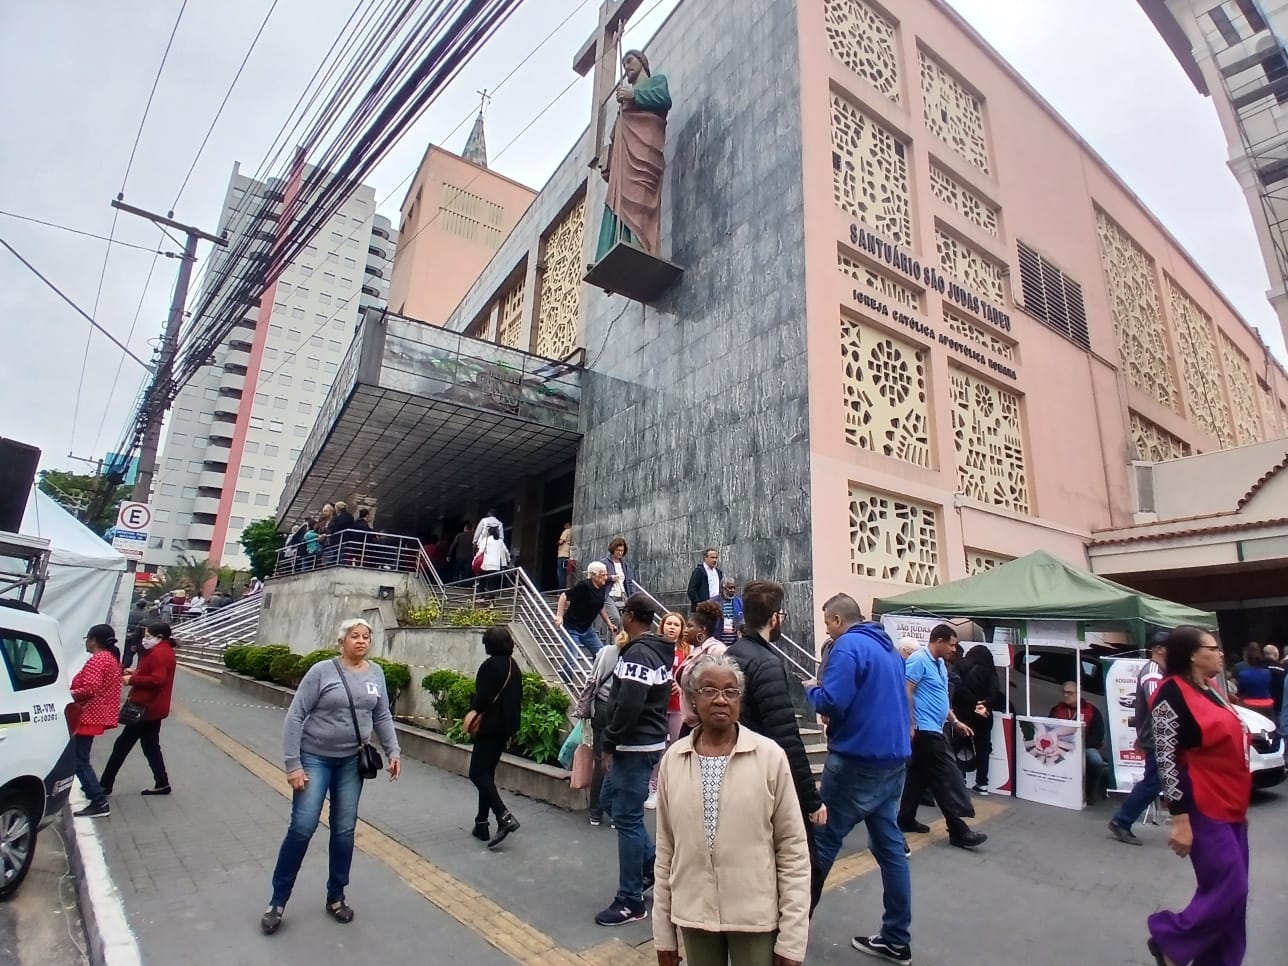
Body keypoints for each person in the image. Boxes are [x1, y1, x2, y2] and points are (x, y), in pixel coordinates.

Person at [653, 654, 810, 966]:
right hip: (694, 915)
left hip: (754, 917)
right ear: (692, 699)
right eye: (709, 690)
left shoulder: (769, 757)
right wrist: (663, 931)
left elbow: (793, 849)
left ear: (740, 699)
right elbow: (666, 849)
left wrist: (792, 939)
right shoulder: (674, 759)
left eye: (730, 691)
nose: (721, 699)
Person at [262, 618, 402, 934]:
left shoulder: (376, 674)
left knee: (343, 829)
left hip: (352, 761)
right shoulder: (322, 672)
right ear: (341, 641)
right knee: (303, 826)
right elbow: (295, 715)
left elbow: (382, 715)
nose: (362, 641)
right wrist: (293, 764)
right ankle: (277, 900)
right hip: (314, 758)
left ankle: (336, 896)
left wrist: (394, 751)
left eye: (367, 636)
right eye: (355, 636)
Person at [806, 594, 913, 962]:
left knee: (821, 842)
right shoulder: (887, 648)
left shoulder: (848, 646)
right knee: (890, 849)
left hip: (856, 761)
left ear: (837, 620)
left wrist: (811, 691)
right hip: (893, 761)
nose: (827, 630)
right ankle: (897, 938)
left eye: (827, 623)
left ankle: (790, 929)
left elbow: (832, 701)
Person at [1145, 626, 1251, 966]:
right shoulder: (1169, 693)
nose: (1221, 653)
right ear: (1192, 653)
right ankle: (1170, 940)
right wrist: (1180, 819)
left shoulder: (1212, 688)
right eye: (1213, 648)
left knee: (1230, 896)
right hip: (1201, 804)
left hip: (1232, 802)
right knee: (1231, 887)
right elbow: (1165, 756)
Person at [726, 581, 827, 911]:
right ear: (774, 618)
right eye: (781, 613)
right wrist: (811, 799)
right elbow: (786, 737)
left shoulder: (733, 653)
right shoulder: (766, 664)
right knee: (800, 868)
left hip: (735, 772)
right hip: (762, 780)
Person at [594, 593, 673, 927]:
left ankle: (630, 900)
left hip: (634, 747)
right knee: (609, 800)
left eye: (623, 611)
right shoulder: (647, 650)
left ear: (629, 616)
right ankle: (654, 865)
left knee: (627, 818)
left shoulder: (640, 653)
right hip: (636, 745)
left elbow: (629, 705)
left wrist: (609, 742)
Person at [898, 624, 987, 851]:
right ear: (938, 640)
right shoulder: (918, 660)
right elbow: (905, 690)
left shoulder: (939, 665)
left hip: (935, 728)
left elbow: (941, 699)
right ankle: (958, 829)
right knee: (945, 777)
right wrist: (910, 722)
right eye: (951, 643)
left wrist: (955, 722)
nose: (953, 649)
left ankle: (905, 817)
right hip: (925, 730)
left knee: (919, 776)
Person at [594, 49, 672, 262]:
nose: (626, 66)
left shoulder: (658, 81)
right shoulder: (624, 99)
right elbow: (617, 130)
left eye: (629, 60)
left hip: (645, 151)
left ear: (642, 62)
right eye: (623, 63)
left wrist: (634, 95)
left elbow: (664, 99)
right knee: (620, 199)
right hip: (625, 158)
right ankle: (615, 250)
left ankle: (640, 246)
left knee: (641, 197)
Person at [99, 622, 177, 798]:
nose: (145, 639)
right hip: (154, 708)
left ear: (160, 637)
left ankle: (104, 785)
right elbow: (156, 676)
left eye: (148, 636)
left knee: (122, 745)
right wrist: (136, 673)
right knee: (150, 746)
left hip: (146, 708)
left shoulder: (159, 653)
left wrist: (132, 680)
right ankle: (162, 783)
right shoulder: (164, 651)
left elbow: (157, 679)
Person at [1109, 632, 1169, 845]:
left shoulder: (1159, 671)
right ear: (1159, 649)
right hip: (1158, 739)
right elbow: (1158, 706)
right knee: (1152, 783)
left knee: (1156, 782)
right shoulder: (1153, 673)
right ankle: (1121, 821)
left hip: (1157, 738)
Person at [469, 626, 523, 848]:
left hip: (489, 726)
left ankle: (503, 816)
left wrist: (473, 708)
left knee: (476, 773)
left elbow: (481, 700)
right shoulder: (514, 666)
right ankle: (481, 823)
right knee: (487, 773)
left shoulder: (489, 666)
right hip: (506, 728)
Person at [70, 624, 124, 818]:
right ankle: (93, 791)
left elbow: (90, 688)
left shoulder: (98, 660)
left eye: (87, 638)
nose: (86, 641)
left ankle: (98, 800)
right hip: (95, 713)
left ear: (93, 640)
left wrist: (68, 694)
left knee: (79, 760)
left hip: (87, 714)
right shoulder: (110, 659)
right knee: (80, 758)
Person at [579, 630, 629, 827]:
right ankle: (615, 811)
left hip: (600, 708)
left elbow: (593, 677)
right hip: (620, 710)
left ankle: (595, 812)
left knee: (600, 760)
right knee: (619, 761)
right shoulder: (635, 655)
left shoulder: (605, 651)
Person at [645, 611, 687, 810]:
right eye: (669, 623)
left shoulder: (687, 650)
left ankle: (673, 788)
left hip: (678, 706)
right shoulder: (655, 647)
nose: (672, 627)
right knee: (657, 747)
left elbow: (693, 675)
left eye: (676, 625)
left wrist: (682, 687)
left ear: (681, 629)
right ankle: (653, 788)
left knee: (678, 747)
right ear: (662, 626)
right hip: (657, 706)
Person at [1049, 682, 1111, 804]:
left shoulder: (1091, 709)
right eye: (1064, 692)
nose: (1066, 695)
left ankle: (1090, 793)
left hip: (1085, 747)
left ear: (1079, 693)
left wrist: (1081, 745)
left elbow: (1098, 735)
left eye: (1070, 693)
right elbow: (1049, 729)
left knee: (1096, 761)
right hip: (1061, 746)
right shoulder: (1057, 709)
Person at [554, 562, 616, 678]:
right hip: (571, 627)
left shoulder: (602, 587)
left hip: (587, 629)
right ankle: (565, 680)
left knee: (601, 654)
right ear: (593, 575)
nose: (605, 578)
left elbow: (600, 605)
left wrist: (608, 622)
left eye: (606, 575)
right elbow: (563, 596)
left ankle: (597, 679)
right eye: (603, 575)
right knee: (573, 658)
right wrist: (559, 616)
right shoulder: (584, 586)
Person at [953, 644, 998, 795]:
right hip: (983, 714)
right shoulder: (989, 668)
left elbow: (957, 687)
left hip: (963, 713)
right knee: (983, 747)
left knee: (959, 745)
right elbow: (995, 691)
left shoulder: (960, 665)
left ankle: (960, 779)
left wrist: (972, 702)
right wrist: (983, 704)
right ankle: (982, 784)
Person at [678, 601, 727, 730]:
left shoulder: (716, 650)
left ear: (702, 629)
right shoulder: (695, 650)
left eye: (690, 626)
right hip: (690, 721)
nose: (685, 630)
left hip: (704, 724)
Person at [600, 537, 637, 633]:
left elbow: (629, 581)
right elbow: (599, 578)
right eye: (618, 550)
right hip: (609, 594)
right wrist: (611, 578)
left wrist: (632, 596)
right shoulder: (604, 562)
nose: (620, 553)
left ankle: (621, 643)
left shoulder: (624, 564)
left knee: (626, 622)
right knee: (615, 618)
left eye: (622, 551)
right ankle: (614, 644)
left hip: (622, 594)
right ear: (613, 549)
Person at [1233, 643, 1274, 716]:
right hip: (1268, 705)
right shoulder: (1267, 672)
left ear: (1247, 658)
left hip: (1250, 705)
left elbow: (1240, 692)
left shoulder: (1243, 674)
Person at [477, 524, 510, 597]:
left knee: (482, 580)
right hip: (495, 566)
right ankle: (492, 601)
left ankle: (481, 596)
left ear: (489, 532)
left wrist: (475, 559)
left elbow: (481, 551)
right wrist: (508, 560)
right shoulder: (500, 541)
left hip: (486, 565)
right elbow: (505, 551)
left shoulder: (486, 540)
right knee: (492, 583)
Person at [710, 577, 744, 645]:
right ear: (722, 588)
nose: (732, 590)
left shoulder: (740, 602)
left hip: (736, 641)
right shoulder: (713, 602)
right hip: (718, 641)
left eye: (734, 588)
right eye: (730, 588)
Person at [686, 548, 722, 612]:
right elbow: (691, 589)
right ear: (705, 558)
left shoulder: (718, 572)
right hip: (704, 607)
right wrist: (699, 604)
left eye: (716, 558)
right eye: (712, 557)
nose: (714, 560)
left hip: (716, 606)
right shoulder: (699, 571)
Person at [556, 522, 573, 589]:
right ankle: (565, 589)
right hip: (568, 554)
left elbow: (561, 541)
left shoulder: (566, 531)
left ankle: (561, 590)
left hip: (563, 554)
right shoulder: (572, 532)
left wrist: (557, 542)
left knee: (561, 574)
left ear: (567, 525)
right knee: (566, 574)